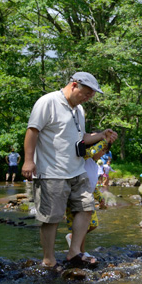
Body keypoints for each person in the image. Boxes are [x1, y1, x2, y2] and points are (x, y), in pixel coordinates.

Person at [21, 71, 117, 268]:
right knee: (51, 218)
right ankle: (49, 259)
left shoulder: (79, 110)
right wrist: (28, 161)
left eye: (91, 95)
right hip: (51, 171)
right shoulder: (48, 102)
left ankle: (74, 252)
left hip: (77, 169)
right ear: (74, 85)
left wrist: (101, 135)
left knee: (86, 207)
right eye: (86, 93)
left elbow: (81, 140)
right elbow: (32, 131)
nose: (88, 98)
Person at [65, 139, 108, 254]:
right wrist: (105, 139)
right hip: (76, 196)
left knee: (92, 225)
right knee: (83, 225)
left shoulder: (94, 165)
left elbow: (93, 186)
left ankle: (74, 239)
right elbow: (91, 151)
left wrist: (100, 198)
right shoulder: (83, 159)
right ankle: (80, 251)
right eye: (102, 150)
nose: (103, 153)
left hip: (87, 197)